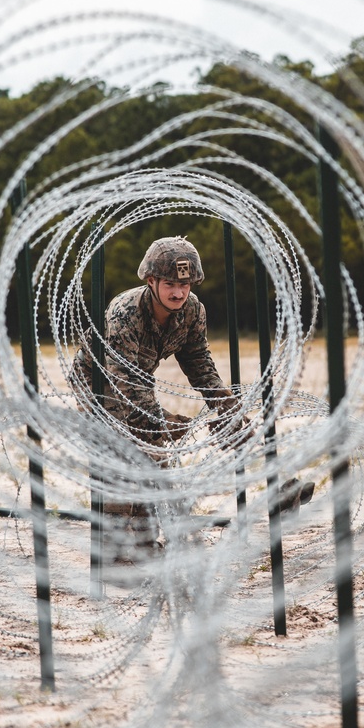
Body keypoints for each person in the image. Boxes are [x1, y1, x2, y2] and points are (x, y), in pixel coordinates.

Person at [69, 237, 246, 560]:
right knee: (122, 455)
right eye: (169, 284)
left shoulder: (193, 311)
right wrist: (159, 424)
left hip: (136, 380)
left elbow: (199, 363)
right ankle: (112, 551)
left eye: (185, 284)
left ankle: (145, 547)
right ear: (151, 281)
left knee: (152, 459)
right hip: (98, 379)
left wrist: (227, 408)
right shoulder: (126, 311)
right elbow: (123, 380)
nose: (178, 292)